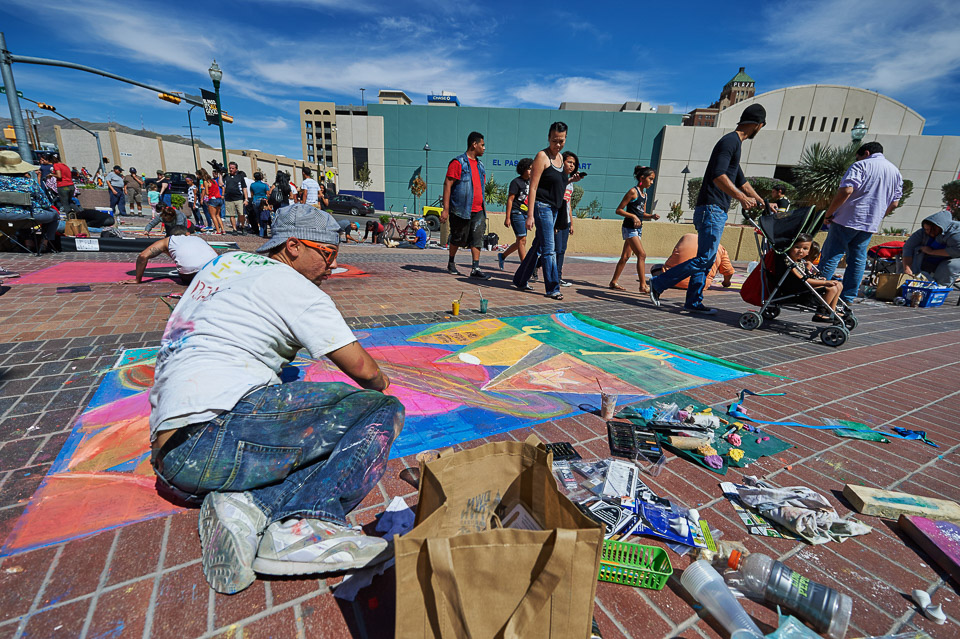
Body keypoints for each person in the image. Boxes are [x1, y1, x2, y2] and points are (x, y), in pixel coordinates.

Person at [149, 204, 403, 595]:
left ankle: (246, 507)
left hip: (173, 459)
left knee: (311, 430)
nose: (332, 266)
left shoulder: (224, 265)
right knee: (378, 411)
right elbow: (367, 374)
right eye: (328, 254)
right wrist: (383, 380)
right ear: (294, 247)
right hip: (215, 437)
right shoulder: (294, 286)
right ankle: (304, 526)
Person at [649, 104, 767, 314]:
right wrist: (741, 199)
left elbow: (741, 181)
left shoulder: (735, 144)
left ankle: (693, 302)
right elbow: (719, 175)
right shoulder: (730, 141)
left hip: (715, 209)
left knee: (707, 258)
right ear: (758, 124)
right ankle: (658, 283)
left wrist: (761, 200)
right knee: (705, 258)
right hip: (712, 208)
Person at [818, 141, 903, 303]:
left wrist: (829, 213)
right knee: (857, 260)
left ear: (866, 153)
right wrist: (878, 216)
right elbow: (895, 203)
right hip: (869, 223)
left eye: (858, 157)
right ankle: (848, 297)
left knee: (831, 256)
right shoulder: (895, 172)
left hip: (847, 218)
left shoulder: (861, 166)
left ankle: (818, 293)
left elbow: (847, 190)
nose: (856, 160)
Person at [512, 122, 571, 299]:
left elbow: (557, 185)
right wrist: (530, 215)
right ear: (548, 137)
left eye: (561, 140)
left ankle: (520, 279)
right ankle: (553, 287)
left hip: (555, 209)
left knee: (539, 245)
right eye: (554, 140)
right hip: (541, 207)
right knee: (549, 249)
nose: (558, 144)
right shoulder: (541, 156)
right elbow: (534, 187)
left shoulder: (561, 159)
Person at [441, 131, 490, 279]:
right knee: (457, 237)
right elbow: (448, 184)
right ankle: (451, 262)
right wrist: (446, 209)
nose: (484, 148)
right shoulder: (458, 163)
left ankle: (475, 268)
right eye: (482, 144)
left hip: (479, 209)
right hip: (461, 209)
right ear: (474, 145)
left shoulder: (480, 165)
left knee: (477, 238)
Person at [609, 166, 659, 293]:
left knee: (625, 256)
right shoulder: (633, 192)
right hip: (629, 228)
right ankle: (643, 286)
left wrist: (651, 216)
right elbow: (618, 210)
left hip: (638, 229)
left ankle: (613, 282)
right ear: (642, 178)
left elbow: (642, 213)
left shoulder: (645, 195)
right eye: (650, 179)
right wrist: (632, 216)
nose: (652, 182)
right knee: (642, 254)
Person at [774, 233, 842, 322]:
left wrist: (816, 278)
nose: (801, 251)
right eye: (797, 247)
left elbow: (806, 277)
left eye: (805, 248)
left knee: (839, 285)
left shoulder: (800, 261)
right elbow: (803, 279)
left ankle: (831, 311)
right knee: (831, 289)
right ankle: (820, 313)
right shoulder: (789, 262)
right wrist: (824, 283)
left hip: (802, 286)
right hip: (795, 290)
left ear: (809, 251)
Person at [0, 150, 58, 253]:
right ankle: (44, 243)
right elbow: (45, 204)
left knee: (21, 212)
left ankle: (27, 242)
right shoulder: (29, 182)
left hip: (2, 217)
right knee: (54, 214)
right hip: (28, 217)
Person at [121, 225, 217, 286]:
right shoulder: (197, 238)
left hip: (190, 274)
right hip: (214, 269)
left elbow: (143, 256)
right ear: (188, 233)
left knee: (187, 271)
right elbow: (216, 255)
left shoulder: (167, 240)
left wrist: (138, 279)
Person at [653, 233, 735, 289]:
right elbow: (728, 271)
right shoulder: (719, 247)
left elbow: (675, 257)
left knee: (655, 268)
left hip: (669, 280)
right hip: (700, 285)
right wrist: (726, 282)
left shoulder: (687, 237)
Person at [902, 210, 960, 285]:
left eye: (929, 229)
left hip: (954, 258)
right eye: (926, 229)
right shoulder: (922, 232)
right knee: (917, 252)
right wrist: (907, 268)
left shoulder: (956, 233)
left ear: (938, 227)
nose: (927, 232)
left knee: (948, 267)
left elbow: (957, 250)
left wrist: (932, 252)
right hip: (932, 258)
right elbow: (908, 247)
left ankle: (939, 289)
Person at [498, 158, 533, 270]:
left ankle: (502, 256)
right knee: (522, 239)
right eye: (529, 169)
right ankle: (525, 267)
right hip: (516, 213)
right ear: (523, 169)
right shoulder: (516, 182)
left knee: (520, 241)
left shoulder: (531, 182)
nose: (531, 171)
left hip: (526, 214)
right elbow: (510, 200)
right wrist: (507, 217)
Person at [555, 151, 583, 287]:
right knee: (554, 249)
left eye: (574, 164)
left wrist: (571, 222)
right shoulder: (558, 179)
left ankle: (557, 276)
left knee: (561, 250)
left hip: (565, 220)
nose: (572, 165)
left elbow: (568, 204)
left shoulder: (570, 183)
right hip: (555, 219)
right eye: (569, 162)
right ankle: (555, 276)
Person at [223, 162, 248, 235]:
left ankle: (243, 227)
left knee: (241, 214)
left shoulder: (240, 177)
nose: (231, 169)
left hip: (239, 198)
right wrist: (220, 175)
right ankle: (234, 229)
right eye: (230, 168)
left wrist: (246, 199)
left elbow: (244, 188)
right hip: (229, 199)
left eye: (233, 168)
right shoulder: (226, 176)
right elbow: (221, 184)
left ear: (236, 169)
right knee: (232, 215)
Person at [205, 168, 225, 235]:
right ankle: (223, 229)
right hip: (218, 198)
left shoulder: (207, 182)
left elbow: (207, 192)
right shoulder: (214, 181)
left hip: (212, 199)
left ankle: (218, 231)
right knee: (218, 215)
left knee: (213, 216)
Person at [249, 172, 270, 237]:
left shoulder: (252, 185)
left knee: (258, 217)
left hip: (255, 201)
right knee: (264, 217)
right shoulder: (264, 185)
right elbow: (268, 194)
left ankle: (261, 231)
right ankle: (264, 232)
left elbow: (252, 194)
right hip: (263, 201)